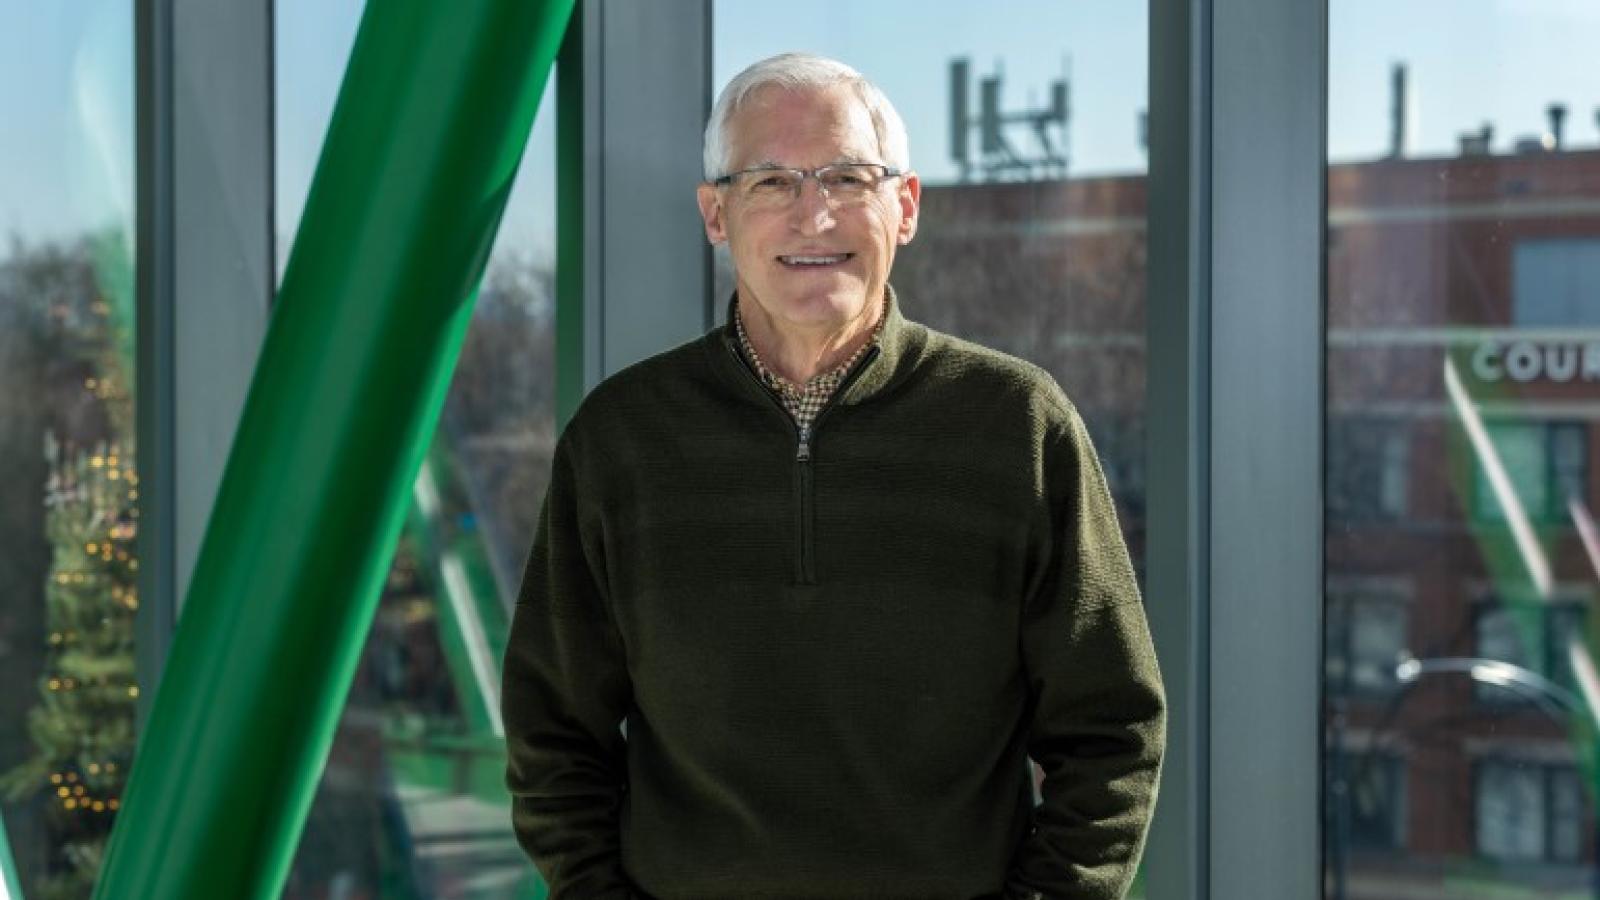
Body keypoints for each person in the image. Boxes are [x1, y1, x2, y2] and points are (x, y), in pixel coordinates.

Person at [501, 52, 1166, 900]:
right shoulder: (622, 437)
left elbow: (1113, 730)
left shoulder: (1017, 424)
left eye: (849, 177)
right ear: (715, 213)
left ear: (906, 205)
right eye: (771, 181)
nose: (814, 216)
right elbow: (551, 729)